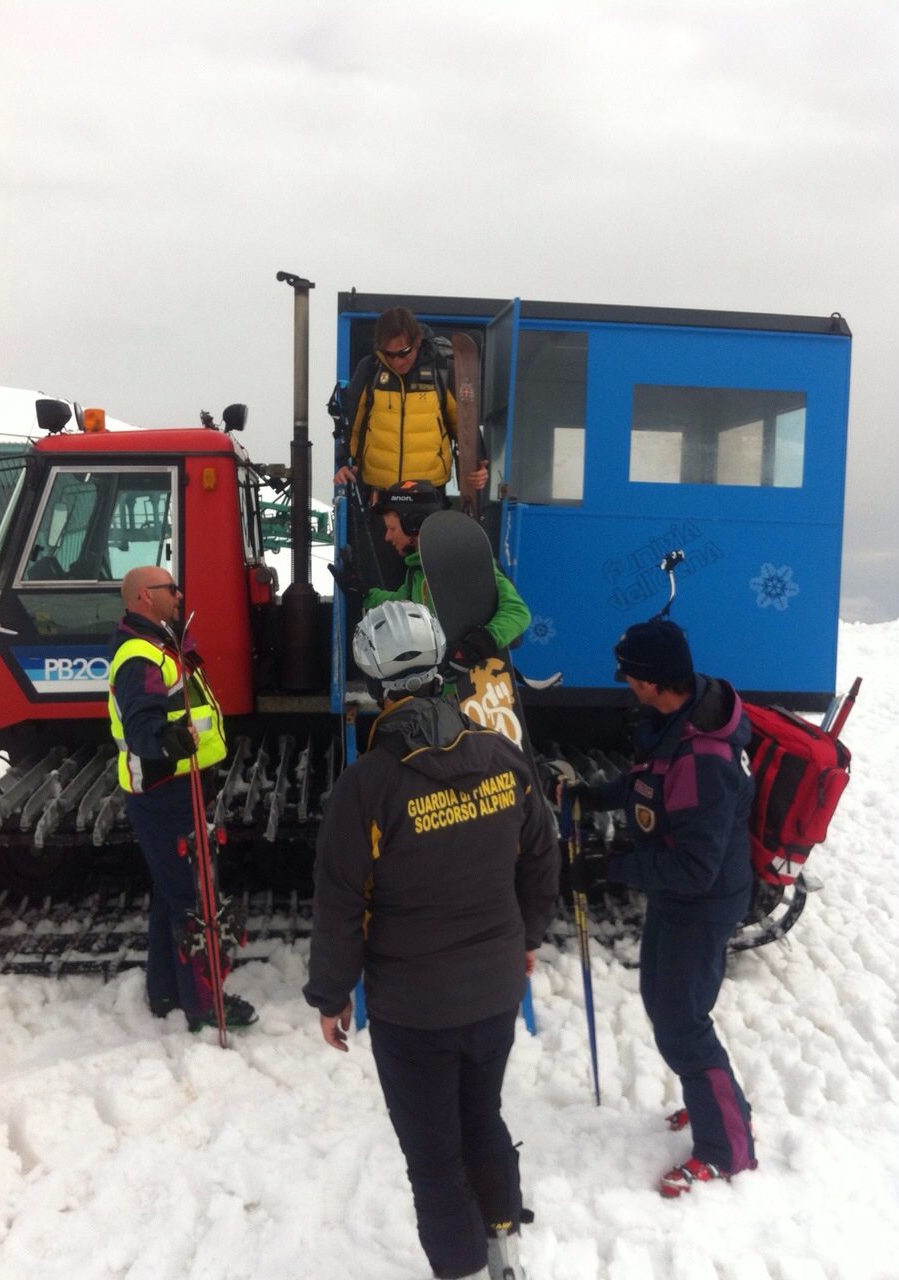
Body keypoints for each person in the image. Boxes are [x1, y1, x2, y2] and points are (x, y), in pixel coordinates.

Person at [303, 601, 560, 1280]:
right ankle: (505, 1248)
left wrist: (330, 994)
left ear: (377, 685)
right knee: (484, 1116)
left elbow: (338, 905)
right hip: (495, 986)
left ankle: (465, 1268)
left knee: (434, 1155)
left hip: (414, 1010)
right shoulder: (501, 754)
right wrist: (528, 934)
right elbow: (542, 854)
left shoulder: (368, 787)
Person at [574, 618, 757, 1197]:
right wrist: (594, 795)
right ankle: (710, 1100)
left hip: (701, 903)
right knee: (668, 1007)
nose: (623, 680)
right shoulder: (675, 719)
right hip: (677, 899)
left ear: (653, 680)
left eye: (628, 672)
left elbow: (695, 869)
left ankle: (727, 1148)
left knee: (683, 1022)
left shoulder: (703, 757)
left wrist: (609, 868)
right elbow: (645, 782)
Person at [108, 566, 257, 1033]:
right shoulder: (140, 655)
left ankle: (166, 991)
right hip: (164, 789)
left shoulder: (161, 644)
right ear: (144, 597)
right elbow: (141, 725)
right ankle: (203, 1005)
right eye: (171, 588)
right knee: (193, 899)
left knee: (171, 893)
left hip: (177, 783)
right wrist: (168, 740)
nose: (179, 593)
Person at [330, 480, 531, 670]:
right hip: (436, 688)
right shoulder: (417, 572)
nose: (387, 537)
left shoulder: (466, 560)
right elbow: (399, 604)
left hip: (469, 689)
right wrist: (361, 592)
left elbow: (517, 613)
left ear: (414, 523)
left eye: (391, 528)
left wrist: (477, 646)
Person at [333, 306, 489, 494]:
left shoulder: (441, 369)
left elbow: (464, 426)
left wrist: (479, 465)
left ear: (417, 341)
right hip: (380, 490)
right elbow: (352, 425)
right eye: (389, 354)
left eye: (404, 352)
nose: (398, 361)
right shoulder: (369, 369)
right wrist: (344, 463)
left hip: (429, 490)